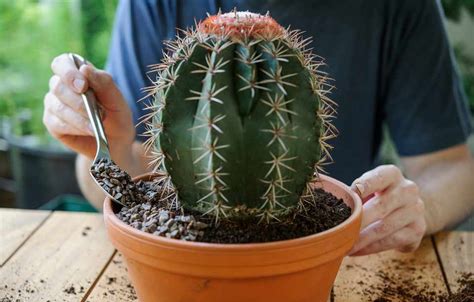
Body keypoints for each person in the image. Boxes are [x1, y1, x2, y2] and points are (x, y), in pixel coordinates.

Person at [43, 0, 474, 256]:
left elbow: (451, 166)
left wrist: (415, 209)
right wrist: (106, 144)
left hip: (343, 257)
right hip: (188, 258)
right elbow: (126, 182)